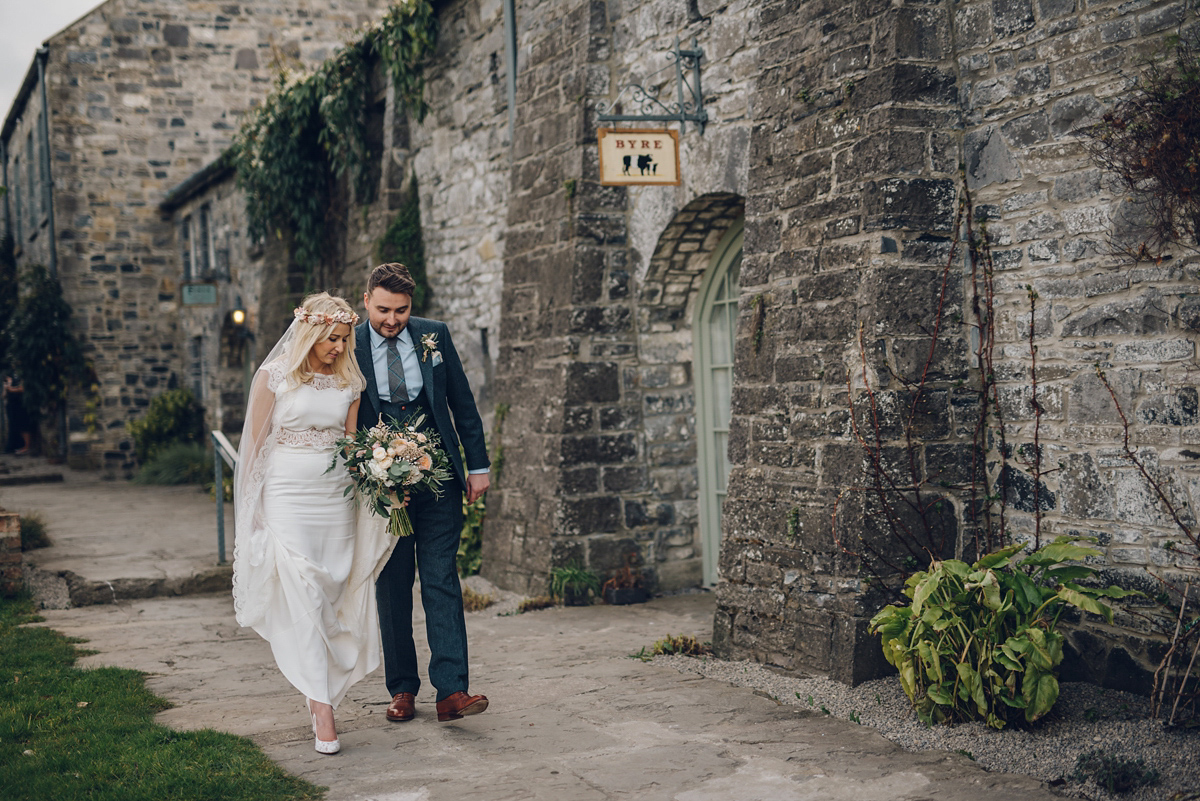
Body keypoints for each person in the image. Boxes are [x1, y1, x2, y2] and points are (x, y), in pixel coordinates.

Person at [232, 292, 395, 755]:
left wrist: (382, 473)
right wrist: (253, 510)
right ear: (309, 333)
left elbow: (350, 442)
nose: (340, 348)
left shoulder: (350, 381)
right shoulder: (274, 376)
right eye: (332, 339)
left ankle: (319, 686)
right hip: (287, 494)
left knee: (333, 590)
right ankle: (321, 706)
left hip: (335, 500)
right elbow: (255, 450)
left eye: (345, 339)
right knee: (302, 588)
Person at [354, 262, 491, 724]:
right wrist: (366, 473)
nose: (393, 320)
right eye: (384, 310)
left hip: (440, 479)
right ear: (366, 300)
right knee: (392, 586)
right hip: (381, 482)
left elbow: (461, 402)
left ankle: (452, 691)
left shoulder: (434, 335)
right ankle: (402, 690)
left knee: (441, 578)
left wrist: (478, 466)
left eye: (402, 310)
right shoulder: (346, 343)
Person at [3, 374, 33, 455]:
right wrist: (8, 385)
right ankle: (23, 447)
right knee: (18, 426)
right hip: (13, 407)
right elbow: (4, 394)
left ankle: (27, 447)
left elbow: (22, 389)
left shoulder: (22, 378)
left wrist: (10, 386)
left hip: (22, 405)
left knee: (24, 426)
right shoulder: (10, 378)